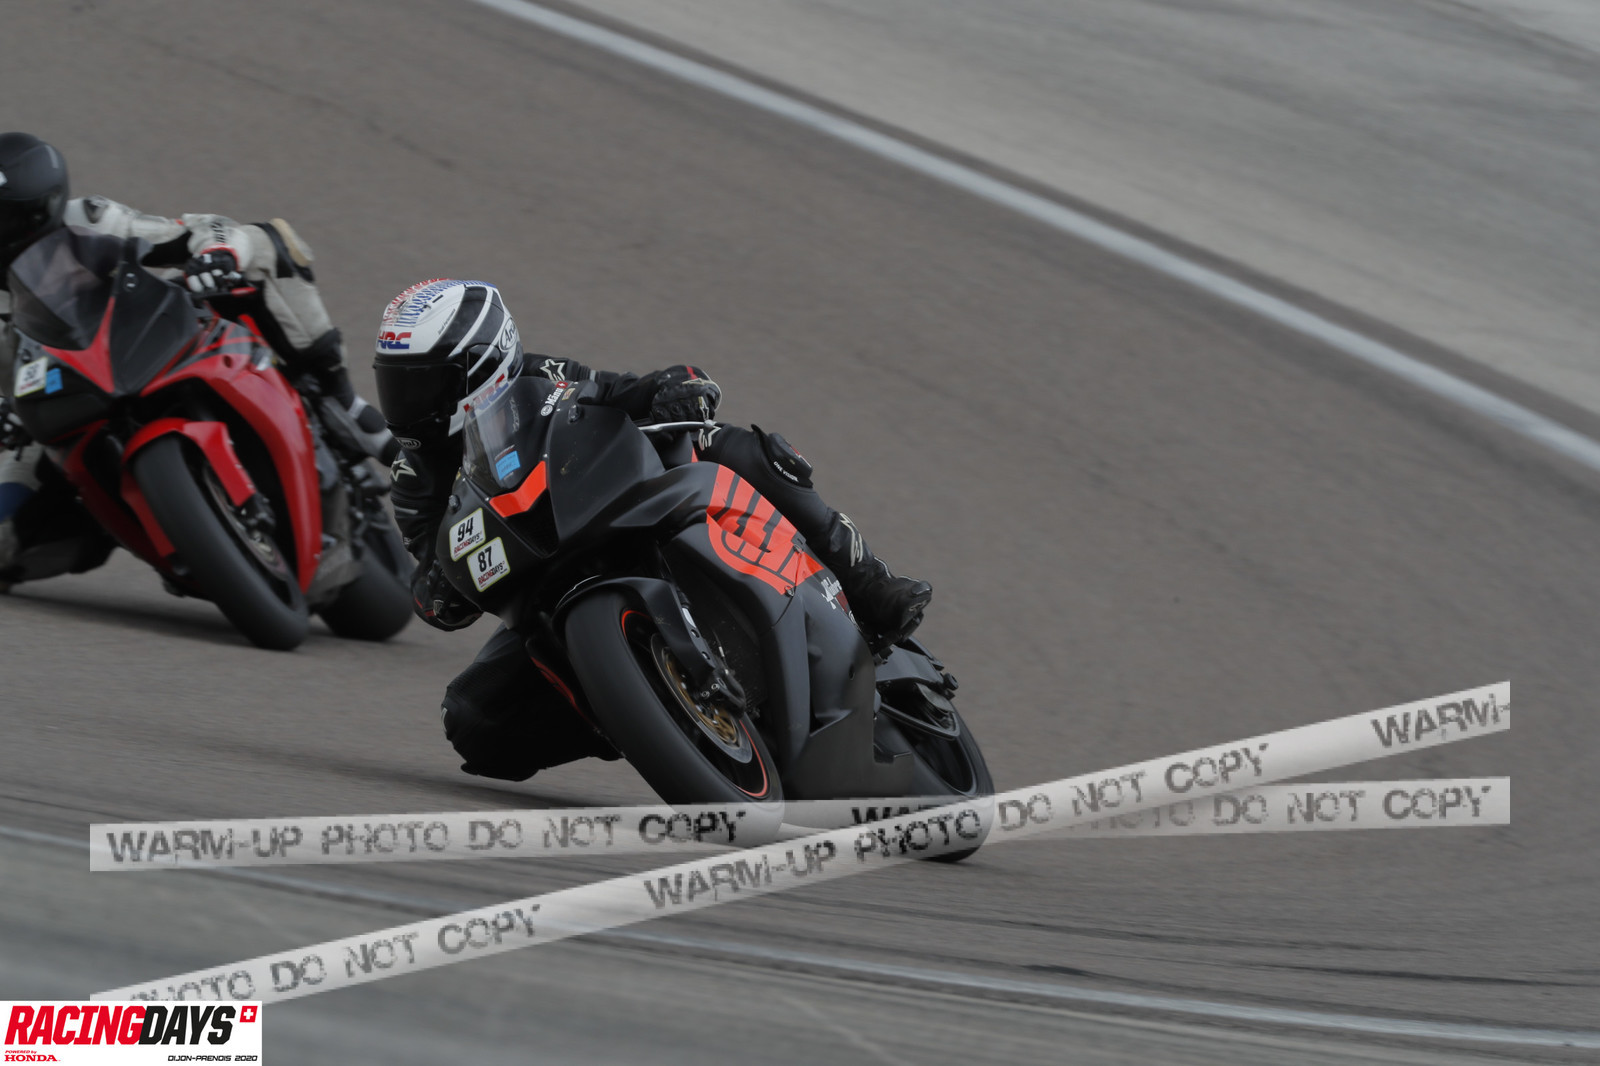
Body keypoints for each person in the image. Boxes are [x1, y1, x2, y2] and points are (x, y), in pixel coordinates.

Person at [372, 278, 933, 781]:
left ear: (484, 363)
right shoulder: (413, 478)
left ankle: (869, 582)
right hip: (539, 587)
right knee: (472, 721)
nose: (406, 405)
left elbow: (616, 393)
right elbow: (432, 570)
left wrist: (669, 388)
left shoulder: (542, 377)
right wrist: (436, 589)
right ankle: (640, 709)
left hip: (612, 513)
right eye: (395, 385)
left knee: (729, 445)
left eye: (422, 385)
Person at [0, 131, 396, 589]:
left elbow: (202, 229)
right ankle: (137, 523)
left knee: (267, 244)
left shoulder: (90, 219)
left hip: (145, 334)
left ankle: (339, 398)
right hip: (63, 396)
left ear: (40, 208)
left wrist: (217, 255)